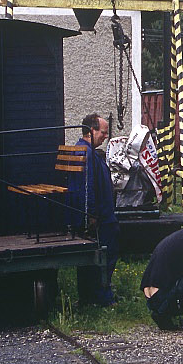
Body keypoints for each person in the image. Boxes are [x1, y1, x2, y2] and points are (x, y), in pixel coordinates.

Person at [74, 113, 119, 305]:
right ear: (91, 131)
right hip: (101, 217)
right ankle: (102, 297)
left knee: (91, 260)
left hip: (101, 214)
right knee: (105, 256)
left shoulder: (82, 150)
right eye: (103, 132)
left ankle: (88, 296)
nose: (106, 136)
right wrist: (91, 213)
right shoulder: (88, 154)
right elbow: (87, 185)